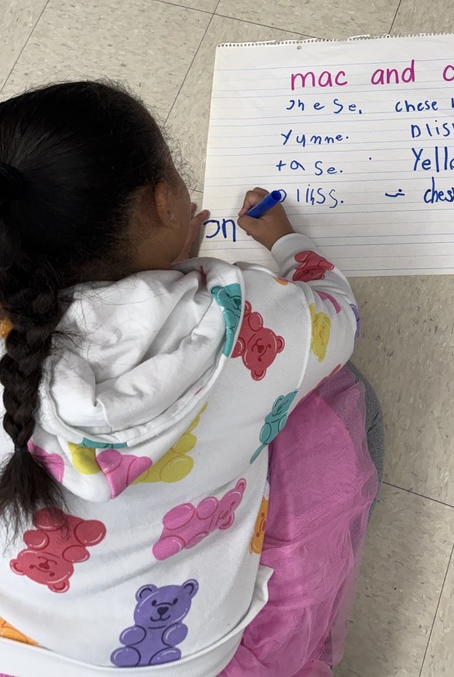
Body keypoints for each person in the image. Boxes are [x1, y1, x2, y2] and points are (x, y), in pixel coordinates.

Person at [0, 81, 382, 677]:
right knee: (348, 399)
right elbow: (338, 312)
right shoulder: (239, 312)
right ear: (162, 202)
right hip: (184, 656)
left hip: (20, 648)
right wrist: (287, 242)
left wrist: (164, 265)